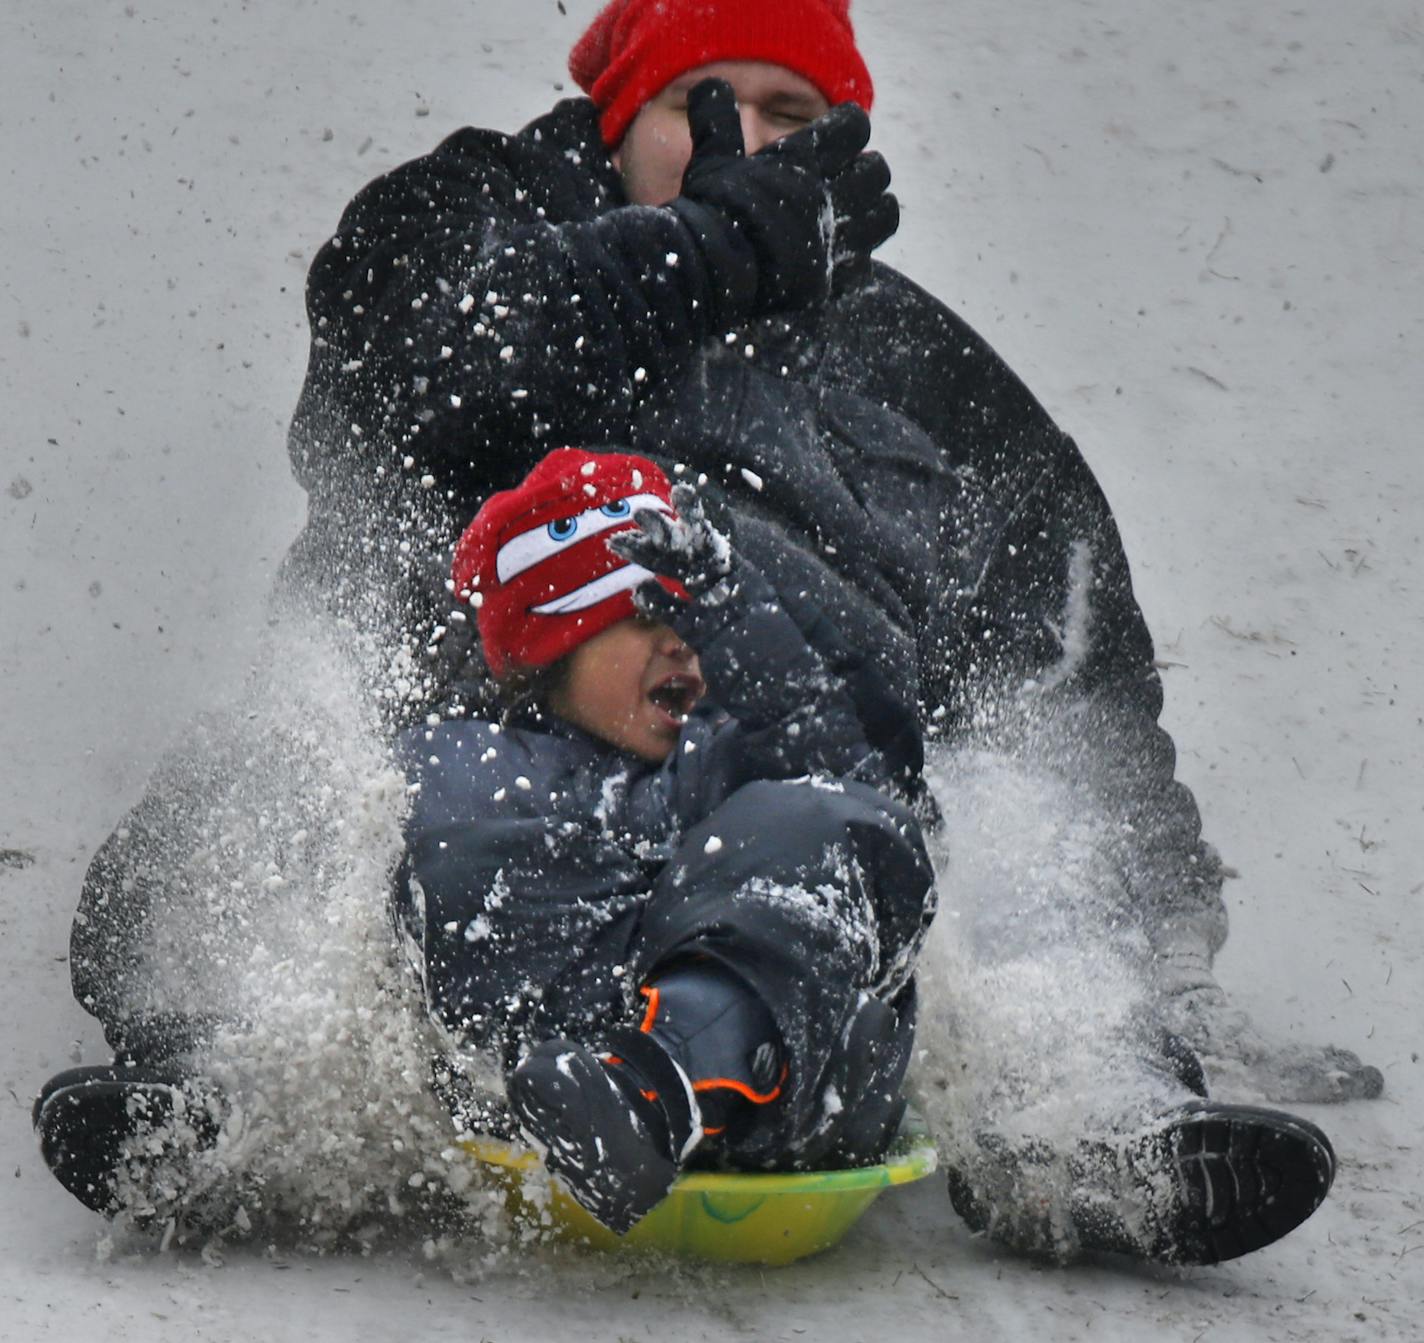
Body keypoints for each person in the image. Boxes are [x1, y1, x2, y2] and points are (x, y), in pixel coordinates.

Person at [35, 0, 1377, 1258]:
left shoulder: (921, 363)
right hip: (470, 740)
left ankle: (1087, 1113)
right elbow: (382, 406)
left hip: (799, 780)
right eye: (705, 99)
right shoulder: (468, 220)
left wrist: (1159, 948)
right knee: (294, 739)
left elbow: (1068, 680)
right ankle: (237, 1076)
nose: (749, 140)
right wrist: (692, 264)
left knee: (1010, 799)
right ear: (621, 111)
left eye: (792, 110)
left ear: (848, 134)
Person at [392, 446, 935, 1231]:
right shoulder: (483, 765)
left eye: (693, 618)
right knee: (436, 805)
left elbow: (863, 809)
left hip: (795, 1086)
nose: (682, 643)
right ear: (556, 648)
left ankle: (657, 1082)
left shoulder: (724, 757)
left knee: (805, 818)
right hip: (550, 1080)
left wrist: (742, 619)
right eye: (649, 617)